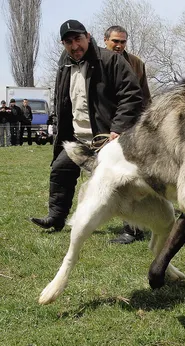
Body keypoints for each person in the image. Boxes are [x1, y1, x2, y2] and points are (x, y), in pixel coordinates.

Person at [30, 19, 143, 231]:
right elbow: (64, 100)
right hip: (77, 138)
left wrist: (117, 129)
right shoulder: (64, 65)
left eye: (78, 39)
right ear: (63, 44)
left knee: (122, 183)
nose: (75, 46)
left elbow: (132, 96)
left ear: (88, 37)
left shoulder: (111, 61)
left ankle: (132, 230)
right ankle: (56, 218)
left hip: (108, 138)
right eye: (68, 42)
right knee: (60, 170)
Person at [104, 25, 151, 244]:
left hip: (130, 129)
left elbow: (144, 98)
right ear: (106, 41)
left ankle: (132, 229)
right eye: (115, 41)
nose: (118, 45)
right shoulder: (99, 62)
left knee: (128, 178)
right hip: (105, 128)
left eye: (122, 41)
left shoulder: (136, 63)